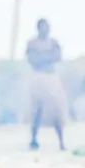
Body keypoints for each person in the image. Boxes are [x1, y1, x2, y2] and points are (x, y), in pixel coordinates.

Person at [25, 18, 68, 151]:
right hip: (39, 77)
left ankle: (61, 141)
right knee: (37, 109)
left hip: (51, 77)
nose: (46, 29)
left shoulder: (54, 42)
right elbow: (32, 60)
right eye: (43, 27)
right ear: (38, 28)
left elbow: (57, 56)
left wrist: (43, 58)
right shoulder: (32, 43)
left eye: (47, 26)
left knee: (57, 110)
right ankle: (33, 139)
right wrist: (47, 57)